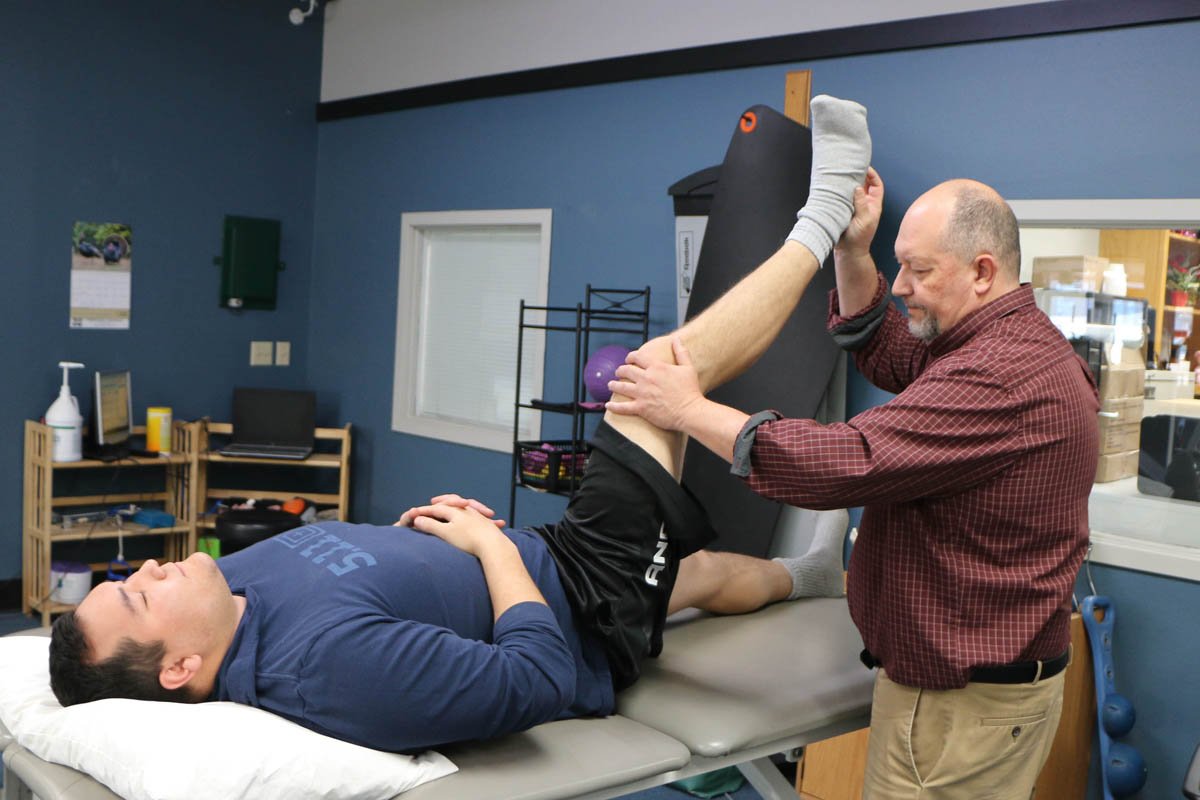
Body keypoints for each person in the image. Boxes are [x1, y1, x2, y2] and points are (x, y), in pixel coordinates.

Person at [47, 95, 870, 755]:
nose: (146, 569)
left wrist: (415, 537)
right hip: (583, 612)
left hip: (541, 561)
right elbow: (540, 680)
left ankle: (811, 576)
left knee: (703, 578)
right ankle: (826, 212)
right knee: (659, 372)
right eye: (135, 599)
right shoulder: (329, 673)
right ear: (182, 669)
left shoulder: (233, 593)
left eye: (124, 578)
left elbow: (361, 576)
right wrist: (490, 549)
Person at [607, 110, 1100, 797]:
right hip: (971, 690)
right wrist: (850, 247)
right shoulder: (998, 344)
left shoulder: (1001, 376)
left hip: (961, 706)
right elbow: (893, 350)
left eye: (918, 270)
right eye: (898, 267)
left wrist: (687, 410)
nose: (900, 286)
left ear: (983, 272)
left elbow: (847, 461)